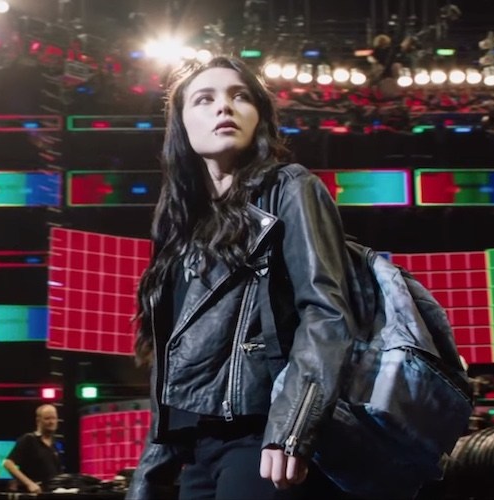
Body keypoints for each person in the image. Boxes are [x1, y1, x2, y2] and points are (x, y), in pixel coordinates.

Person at [126, 56, 357, 499]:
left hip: (262, 436)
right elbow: (171, 359)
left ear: (259, 117)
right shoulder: (179, 223)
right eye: (204, 99)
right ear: (182, 125)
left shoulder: (290, 188)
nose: (224, 107)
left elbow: (326, 313)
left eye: (240, 96)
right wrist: (149, 474)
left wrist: (291, 428)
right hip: (197, 447)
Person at [3, 404, 62, 494]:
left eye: (54, 418)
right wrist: (29, 484)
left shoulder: (54, 444)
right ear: (38, 421)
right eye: (47, 418)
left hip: (49, 493)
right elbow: (8, 463)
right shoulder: (29, 439)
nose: (51, 422)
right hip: (32, 495)